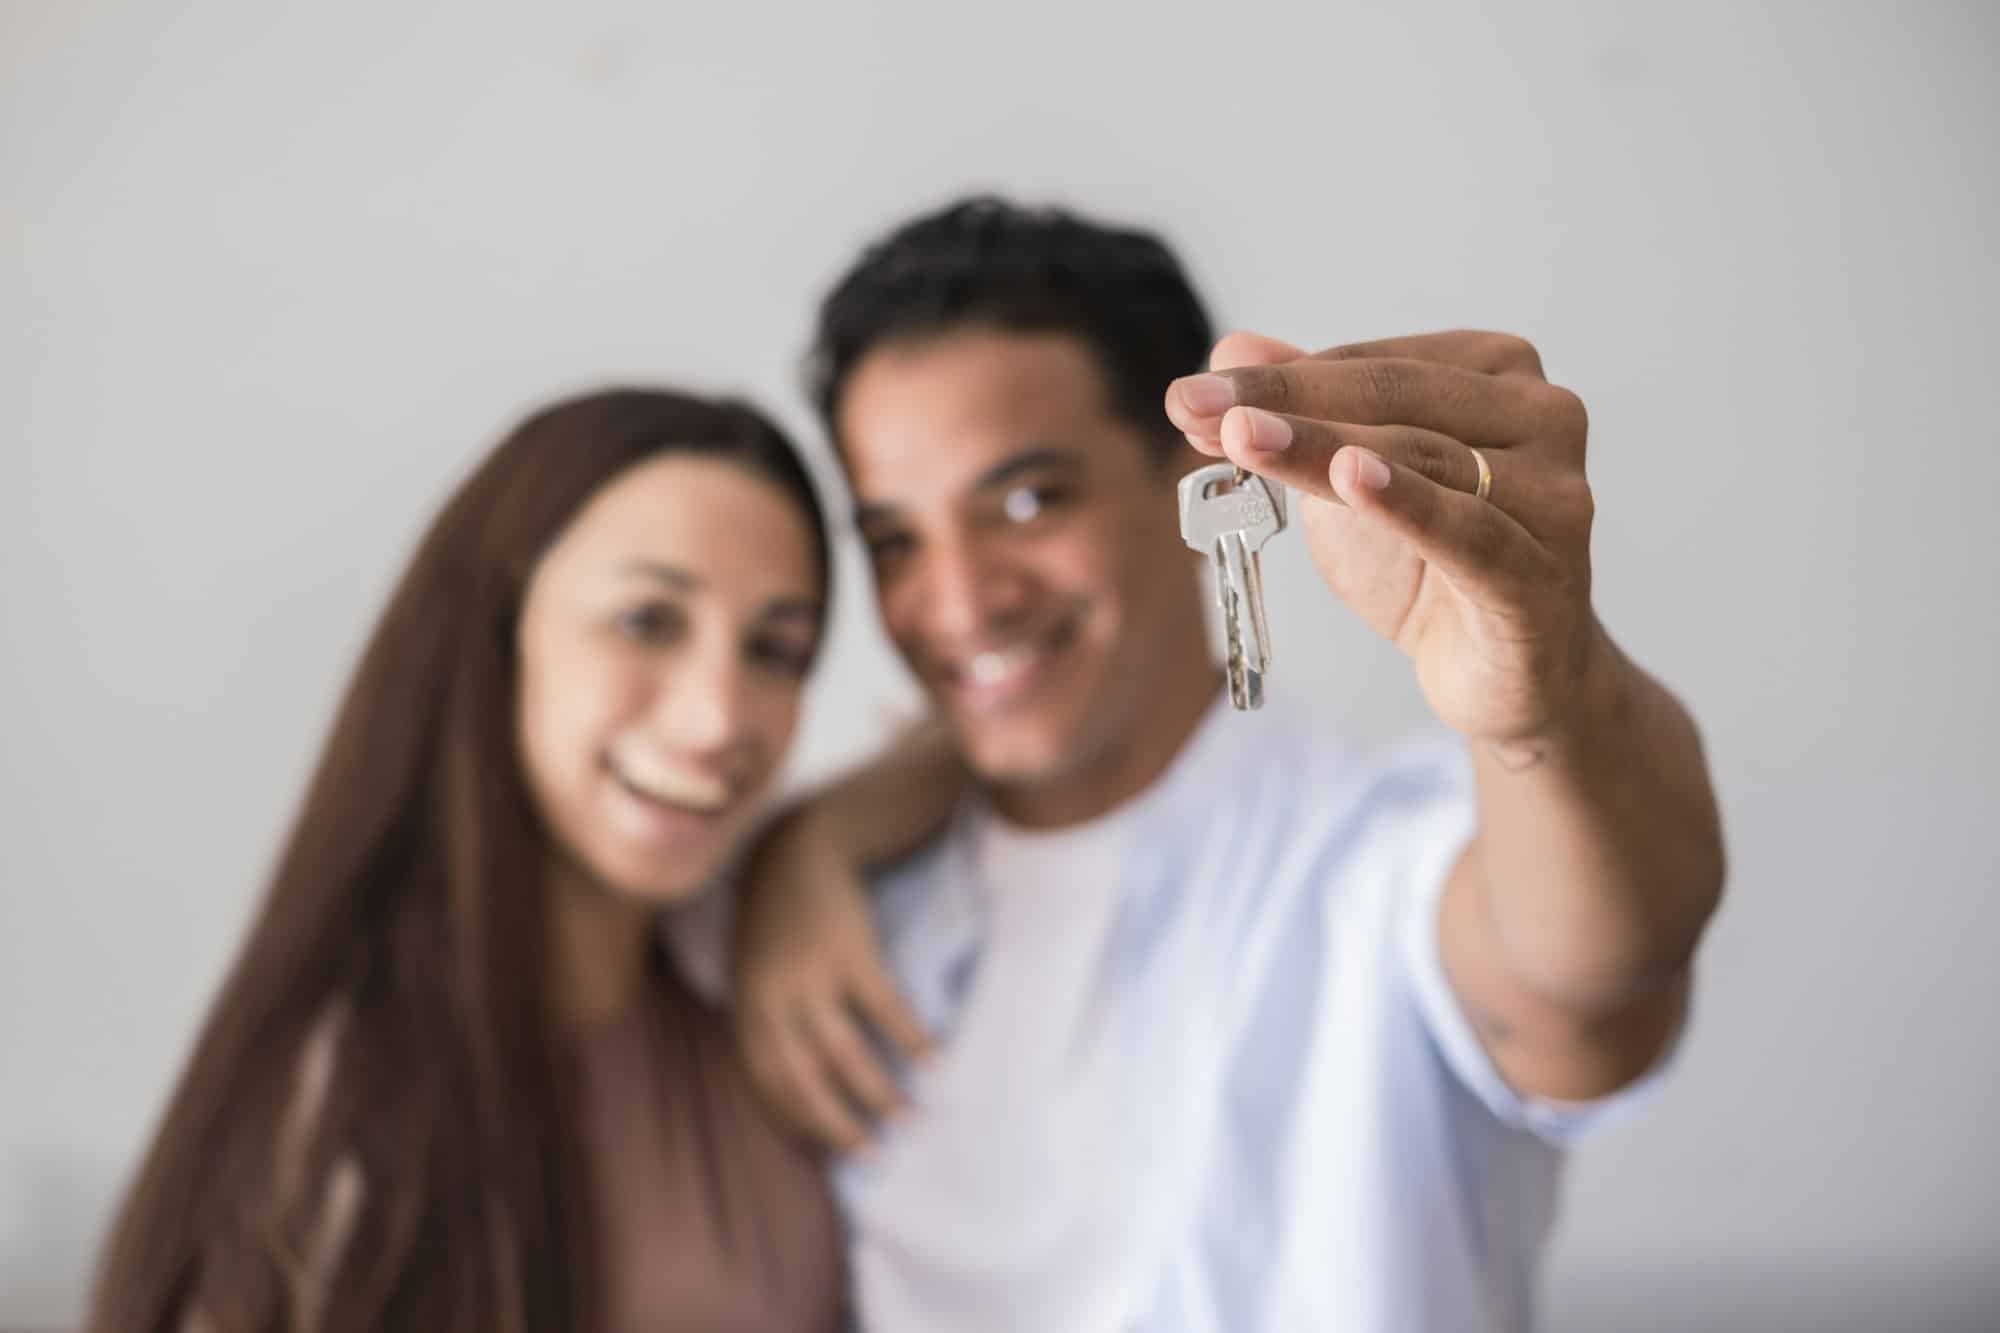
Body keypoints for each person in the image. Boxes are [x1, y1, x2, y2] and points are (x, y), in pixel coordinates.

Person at [730, 197, 1727, 1332]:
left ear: (1193, 478)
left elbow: (1590, 973)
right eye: (896, 539)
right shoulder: (842, 925)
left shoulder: (1380, 858)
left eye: (1025, 499)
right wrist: (793, 851)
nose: (955, 601)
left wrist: (1544, 707)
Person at [89, 388, 852, 1332]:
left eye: (777, 648)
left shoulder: (769, 1028)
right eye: (649, 620)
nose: (720, 719)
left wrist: (822, 844)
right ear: (496, 635)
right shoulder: (337, 1101)